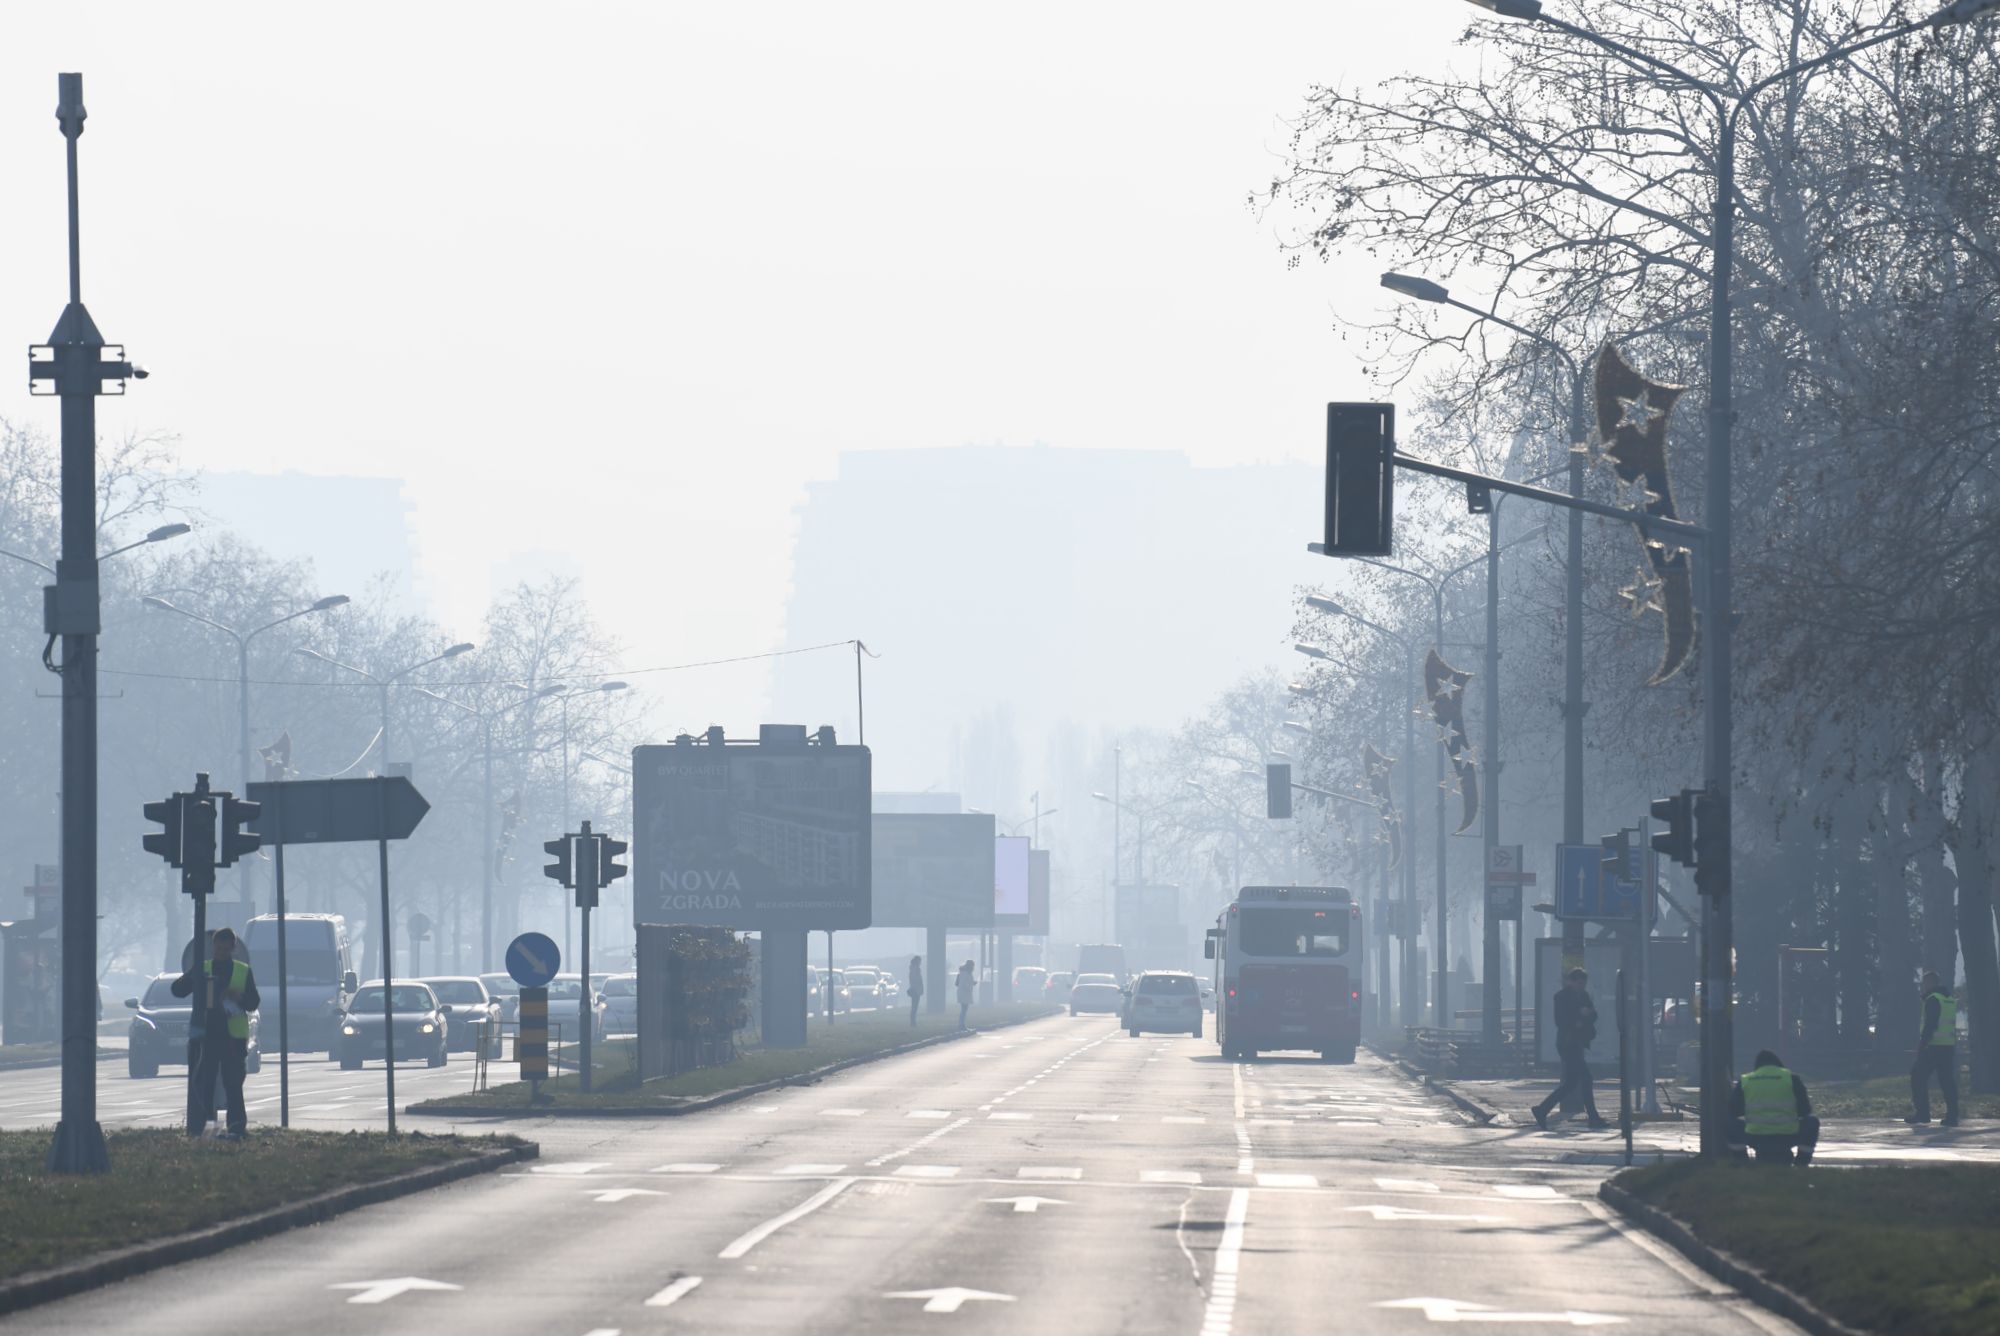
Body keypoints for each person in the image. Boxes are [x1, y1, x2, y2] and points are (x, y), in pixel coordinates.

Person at [172, 927, 260, 1138]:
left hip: (234, 1037)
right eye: (218, 948)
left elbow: (253, 1002)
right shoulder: (204, 968)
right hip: (208, 1035)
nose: (221, 952)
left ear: (233, 948)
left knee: (233, 1084)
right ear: (213, 946)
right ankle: (208, 1128)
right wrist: (193, 978)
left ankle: (237, 1128)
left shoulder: (242, 970)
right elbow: (177, 990)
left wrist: (238, 997)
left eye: (225, 949)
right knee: (206, 1083)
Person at [1532, 967, 1608, 1130]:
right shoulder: (1561, 997)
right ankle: (1593, 1117)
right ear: (1571, 982)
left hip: (1577, 1042)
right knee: (1586, 1078)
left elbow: (1593, 1015)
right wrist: (1579, 1017)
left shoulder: (1584, 995)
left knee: (1572, 1083)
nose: (1581, 986)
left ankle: (1542, 1109)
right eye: (1578, 983)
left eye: (1583, 983)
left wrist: (1588, 1014)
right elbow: (1560, 1020)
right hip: (1567, 1043)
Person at [1728, 1049, 1820, 1165]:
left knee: (1730, 1122)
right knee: (1812, 1121)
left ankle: (1742, 1162)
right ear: (1779, 1065)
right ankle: (1801, 1163)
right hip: (1787, 1135)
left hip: (1756, 1136)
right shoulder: (1792, 1079)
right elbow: (1805, 1111)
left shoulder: (1746, 1080)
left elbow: (1733, 1111)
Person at [1906, 970, 1961, 1126]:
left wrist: (1922, 1044)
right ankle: (1952, 1116)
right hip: (1948, 1046)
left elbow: (1931, 1024)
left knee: (1917, 1077)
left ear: (1930, 983)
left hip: (1933, 1047)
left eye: (1924, 983)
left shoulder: (1932, 1000)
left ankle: (1922, 1113)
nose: (1923, 987)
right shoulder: (1949, 999)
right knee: (1947, 1081)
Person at [955, 959, 975, 1030]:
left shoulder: (965, 973)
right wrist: (970, 985)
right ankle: (961, 1025)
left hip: (964, 993)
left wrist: (972, 983)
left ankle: (962, 1024)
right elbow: (964, 983)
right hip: (964, 993)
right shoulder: (965, 973)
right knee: (964, 1010)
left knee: (964, 1009)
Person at [907, 956, 924, 1026]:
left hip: (915, 989)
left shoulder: (913, 969)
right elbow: (916, 980)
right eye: (920, 961)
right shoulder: (915, 969)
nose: (920, 963)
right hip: (916, 990)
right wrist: (918, 988)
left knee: (914, 1006)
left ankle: (913, 1021)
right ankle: (913, 1022)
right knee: (914, 1006)